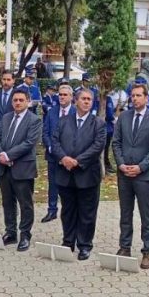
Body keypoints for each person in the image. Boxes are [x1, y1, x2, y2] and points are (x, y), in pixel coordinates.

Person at [113, 83, 149, 268]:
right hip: (124, 174)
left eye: (138, 95)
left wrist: (141, 167)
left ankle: (147, 250)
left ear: (146, 98)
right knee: (125, 212)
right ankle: (124, 246)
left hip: (144, 175)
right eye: (132, 95)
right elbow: (116, 142)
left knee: (146, 213)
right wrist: (121, 164)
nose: (134, 99)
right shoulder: (123, 117)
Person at [52, 88, 106, 260]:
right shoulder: (63, 121)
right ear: (76, 100)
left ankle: (84, 245)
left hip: (87, 174)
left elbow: (98, 146)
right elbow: (55, 141)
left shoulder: (98, 123)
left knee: (87, 212)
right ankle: (68, 241)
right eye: (83, 98)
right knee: (67, 211)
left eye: (90, 99)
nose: (87, 102)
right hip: (65, 173)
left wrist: (77, 161)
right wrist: (64, 158)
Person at [0, 87, 42, 251]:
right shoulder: (6, 117)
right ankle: (11, 232)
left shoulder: (34, 120)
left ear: (28, 102)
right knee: (8, 202)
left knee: (25, 204)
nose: (18, 103)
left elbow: (29, 143)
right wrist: (1, 154)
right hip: (5, 169)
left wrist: (9, 156)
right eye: (15, 100)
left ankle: (25, 235)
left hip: (23, 168)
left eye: (21, 100)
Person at [41, 83, 72, 224]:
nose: (62, 97)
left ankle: (68, 210)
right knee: (52, 184)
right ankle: (51, 210)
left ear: (71, 97)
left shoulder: (75, 112)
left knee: (68, 185)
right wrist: (50, 148)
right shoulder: (52, 112)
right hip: (53, 155)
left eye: (65, 95)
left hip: (68, 157)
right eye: (60, 94)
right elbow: (46, 132)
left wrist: (65, 155)